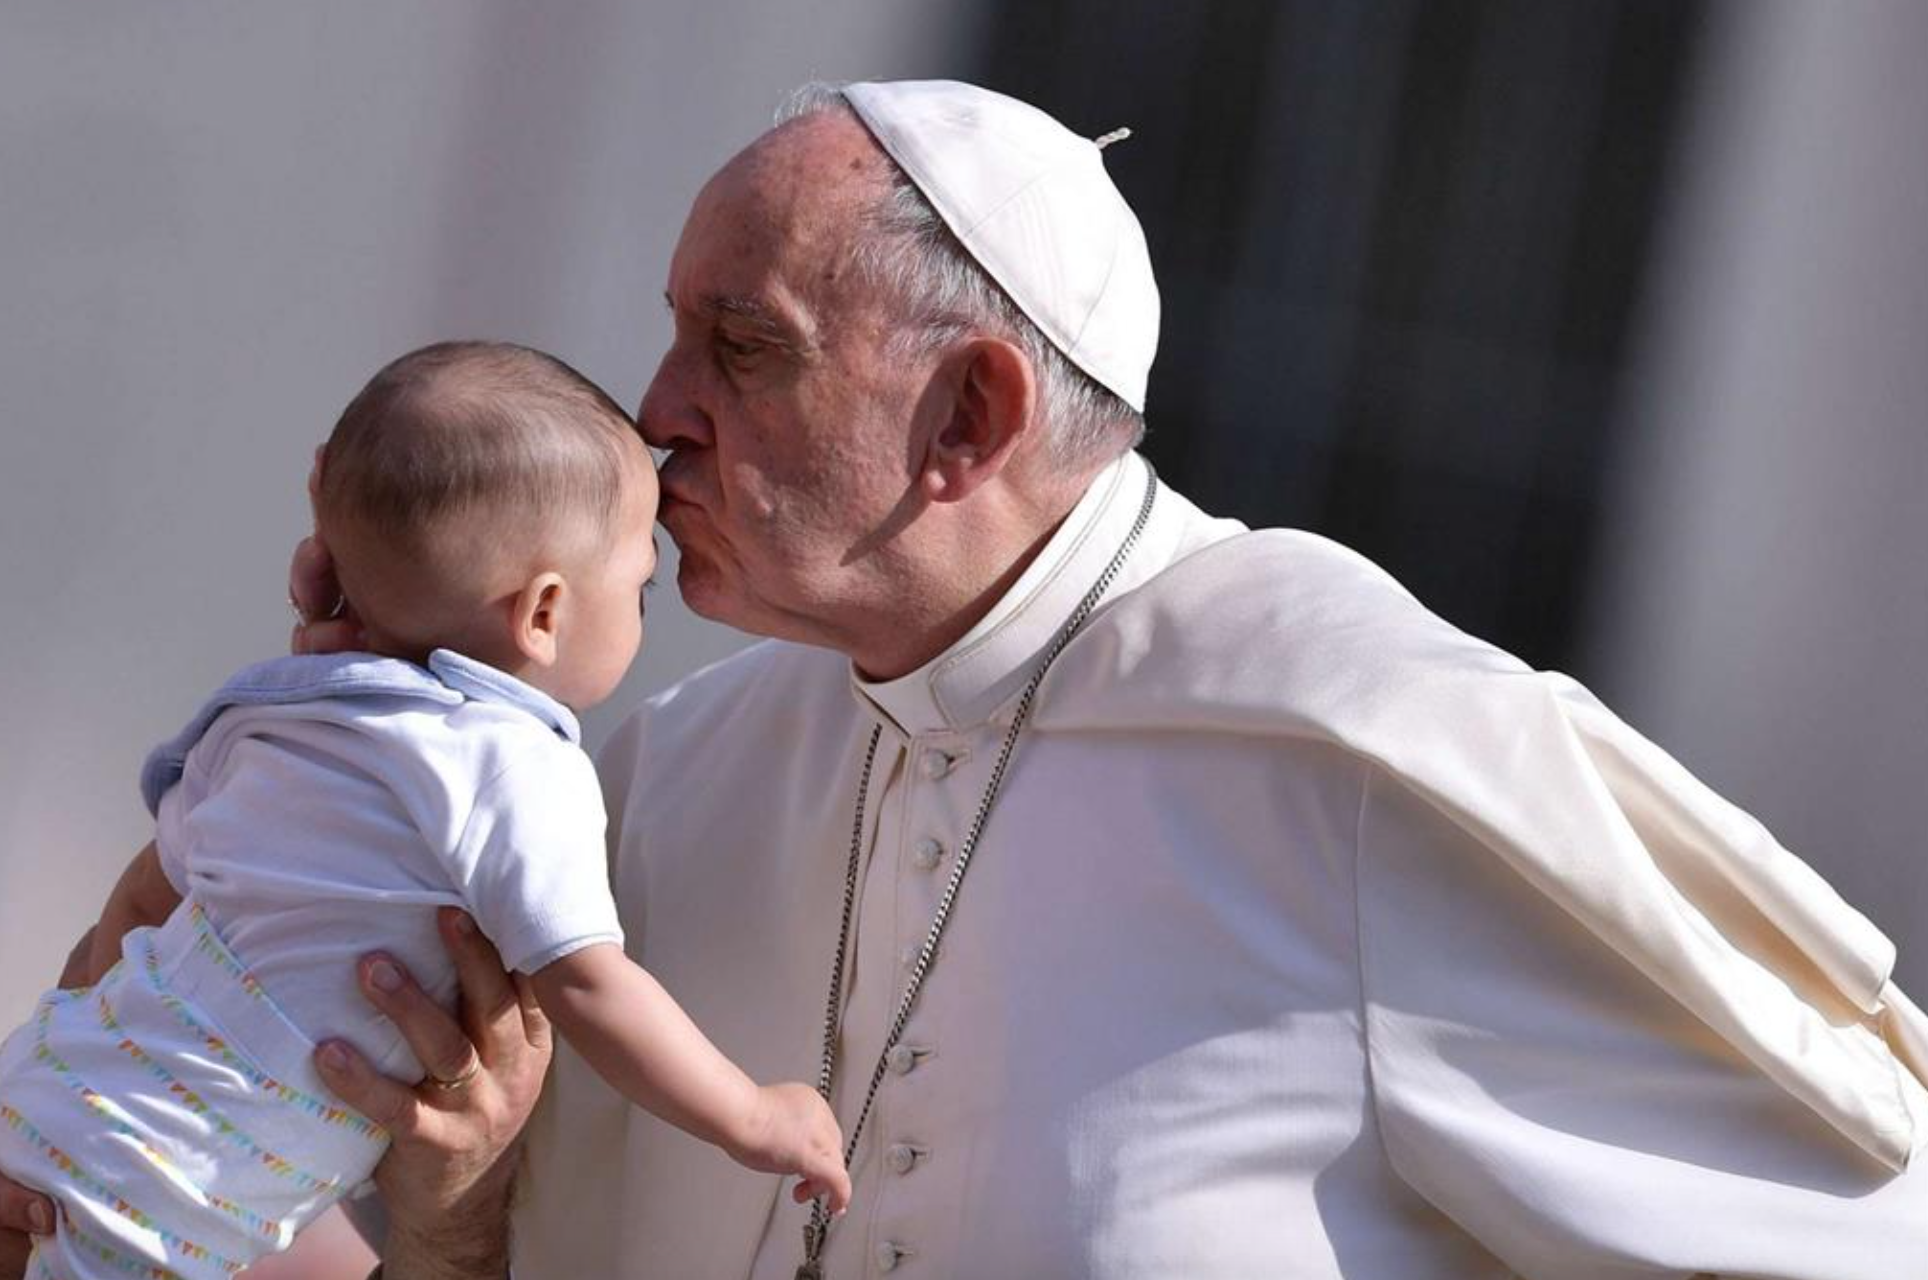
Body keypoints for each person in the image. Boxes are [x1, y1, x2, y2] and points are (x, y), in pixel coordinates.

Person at [6, 78, 1926, 1279]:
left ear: (968, 415)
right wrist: (448, 1218)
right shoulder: (650, 781)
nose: (649, 419)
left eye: (734, 350)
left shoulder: (1359, 757)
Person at [0, 342, 847, 1280]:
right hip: (160, 1204)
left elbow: (135, 913)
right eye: (641, 585)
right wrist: (750, 1116)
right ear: (543, 613)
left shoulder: (278, 709)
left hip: (48, 1089)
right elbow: (589, 988)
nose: (648, 610)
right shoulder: (518, 765)